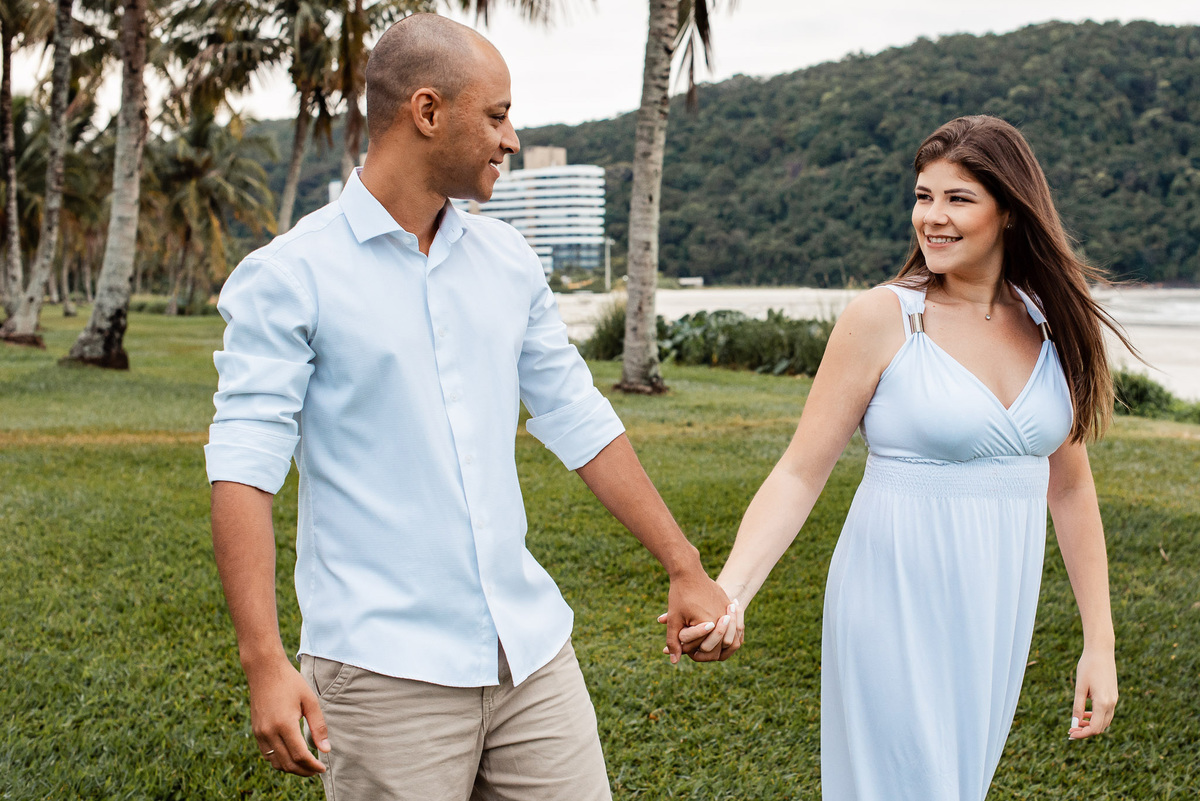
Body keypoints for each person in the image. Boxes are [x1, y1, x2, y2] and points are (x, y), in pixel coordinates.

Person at [205, 13, 736, 800]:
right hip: (384, 672)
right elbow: (244, 469)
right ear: (427, 112)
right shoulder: (289, 276)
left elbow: (578, 417)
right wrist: (264, 660)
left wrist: (685, 565)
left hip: (530, 655)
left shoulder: (507, 260)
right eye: (496, 115)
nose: (511, 138)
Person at [677, 115, 1122, 799]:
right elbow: (800, 471)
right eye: (923, 195)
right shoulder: (883, 317)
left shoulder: (1050, 319)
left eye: (958, 198)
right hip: (890, 600)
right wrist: (731, 593)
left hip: (995, 608)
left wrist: (1101, 640)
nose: (933, 218)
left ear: (1009, 211)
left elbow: (1069, 489)